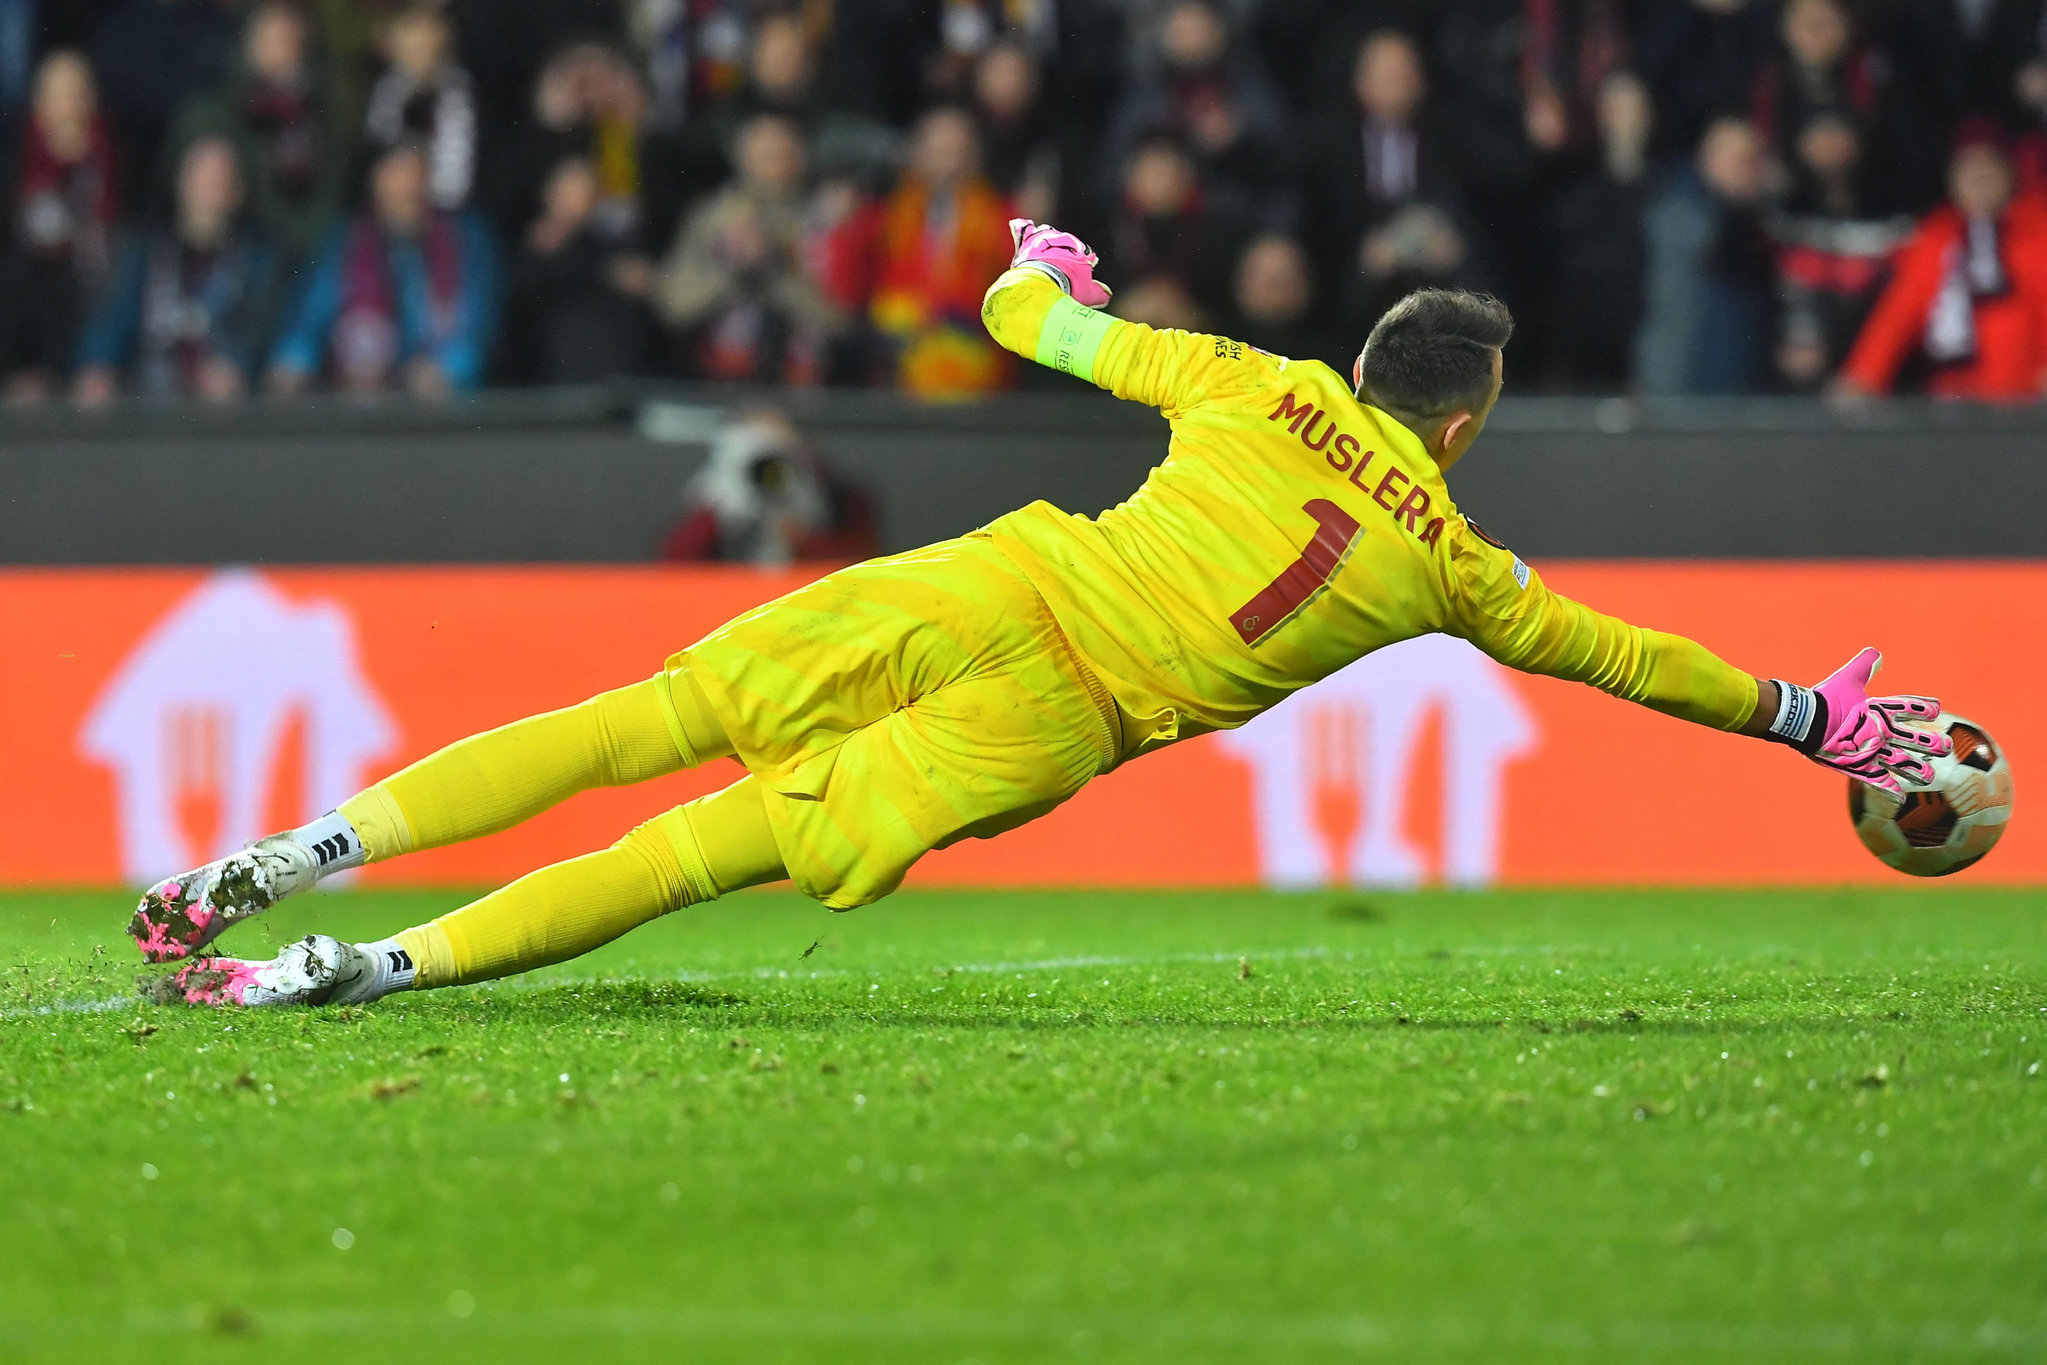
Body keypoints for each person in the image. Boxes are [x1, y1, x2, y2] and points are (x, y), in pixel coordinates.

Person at [133, 217, 1950, 1008]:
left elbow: (1028, 326)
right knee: (706, 846)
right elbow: (1629, 660)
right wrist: (1811, 719)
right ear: (1460, 424)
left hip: (1004, 572)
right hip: (1056, 715)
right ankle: (358, 970)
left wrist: (1044, 274)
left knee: (647, 715)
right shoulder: (1459, 564)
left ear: (1365, 362)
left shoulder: (1251, 378)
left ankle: (304, 852)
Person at [266, 140, 498, 398]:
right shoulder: (348, 242)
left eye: (416, 175)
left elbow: (476, 326)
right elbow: (311, 316)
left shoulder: (463, 238)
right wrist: (292, 362)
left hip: (442, 402)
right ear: (376, 184)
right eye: (397, 177)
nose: (408, 187)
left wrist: (446, 369)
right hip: (362, 396)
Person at [1835, 130, 2047, 402]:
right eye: (1970, 176)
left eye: (1988, 175)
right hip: (1954, 390)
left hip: (2023, 390)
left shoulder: (2036, 233)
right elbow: (1898, 314)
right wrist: (1863, 374)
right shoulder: (1936, 238)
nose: (1980, 184)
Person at [71, 136, 281, 405]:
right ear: (181, 184)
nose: (207, 189)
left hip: (223, 405)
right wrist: (98, 364)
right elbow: (113, 318)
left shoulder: (258, 257)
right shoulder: (146, 250)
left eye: (217, 181)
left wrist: (237, 365)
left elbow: (259, 329)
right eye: (200, 179)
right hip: (148, 394)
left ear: (237, 192)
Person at [651, 111, 843, 384]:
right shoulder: (712, 216)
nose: (773, 165)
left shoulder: (822, 218)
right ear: (742, 158)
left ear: (800, 158)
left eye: (781, 155)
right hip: (720, 374)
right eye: (763, 155)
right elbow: (672, 305)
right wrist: (730, 265)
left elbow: (840, 320)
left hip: (805, 376)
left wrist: (772, 265)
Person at [0, 49, 117, 404]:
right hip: (26, 316)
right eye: (56, 94)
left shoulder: (110, 159)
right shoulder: (16, 161)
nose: (66, 105)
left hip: (93, 295)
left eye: (75, 93)